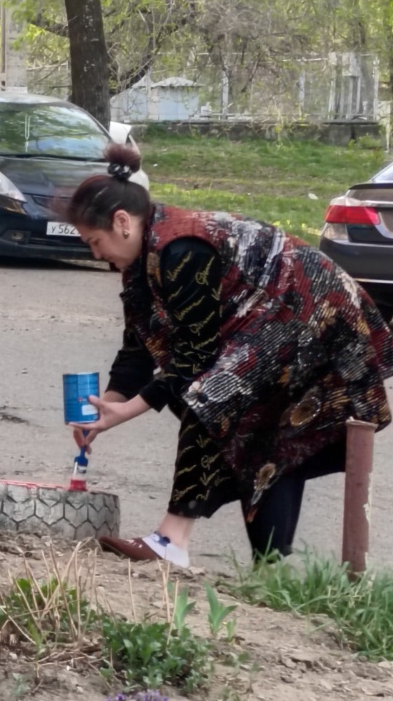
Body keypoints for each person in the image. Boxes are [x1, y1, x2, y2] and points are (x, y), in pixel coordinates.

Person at [67, 143, 393, 567]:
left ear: (122, 222)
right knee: (269, 436)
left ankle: (171, 540)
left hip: (314, 312)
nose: (96, 254)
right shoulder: (142, 262)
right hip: (277, 314)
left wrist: (126, 411)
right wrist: (103, 410)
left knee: (211, 398)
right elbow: (138, 346)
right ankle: (270, 570)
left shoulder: (180, 249)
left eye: (95, 242)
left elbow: (193, 354)